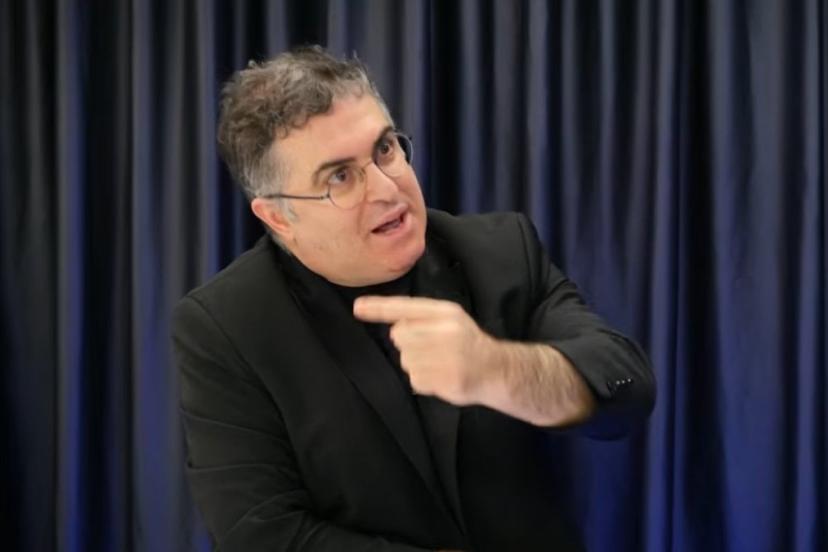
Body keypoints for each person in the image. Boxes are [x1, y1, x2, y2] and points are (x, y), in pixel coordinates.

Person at [172, 45, 655, 552]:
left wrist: (498, 370)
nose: (388, 189)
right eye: (340, 176)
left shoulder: (500, 251)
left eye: (385, 149)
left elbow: (626, 389)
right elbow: (260, 533)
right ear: (278, 217)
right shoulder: (227, 326)